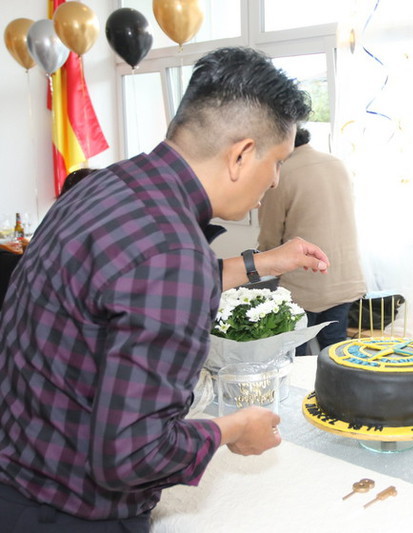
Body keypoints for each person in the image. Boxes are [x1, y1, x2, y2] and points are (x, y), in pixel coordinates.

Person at [0, 47, 329, 531]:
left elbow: (130, 288)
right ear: (241, 155)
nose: (276, 180)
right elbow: (131, 455)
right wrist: (231, 429)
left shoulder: (103, 187)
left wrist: (266, 262)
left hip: (19, 471)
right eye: (277, 160)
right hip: (69, 513)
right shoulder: (175, 254)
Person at [257, 127, 366, 354]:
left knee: (295, 350)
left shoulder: (281, 173)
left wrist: (263, 262)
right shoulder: (338, 164)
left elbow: (270, 234)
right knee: (335, 349)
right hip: (344, 276)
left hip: (304, 282)